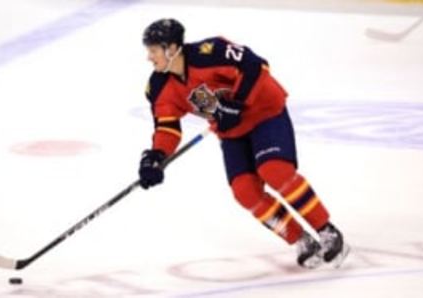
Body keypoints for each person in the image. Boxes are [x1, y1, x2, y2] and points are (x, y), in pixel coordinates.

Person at [138, 18, 349, 268]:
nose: (149, 58)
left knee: (275, 170)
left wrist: (237, 102)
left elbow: (255, 66)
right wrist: (156, 155)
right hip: (232, 132)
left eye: (153, 50)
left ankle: (327, 231)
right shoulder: (159, 86)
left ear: (172, 49)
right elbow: (167, 127)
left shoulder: (211, 52)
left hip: (264, 113)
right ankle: (301, 240)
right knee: (245, 191)